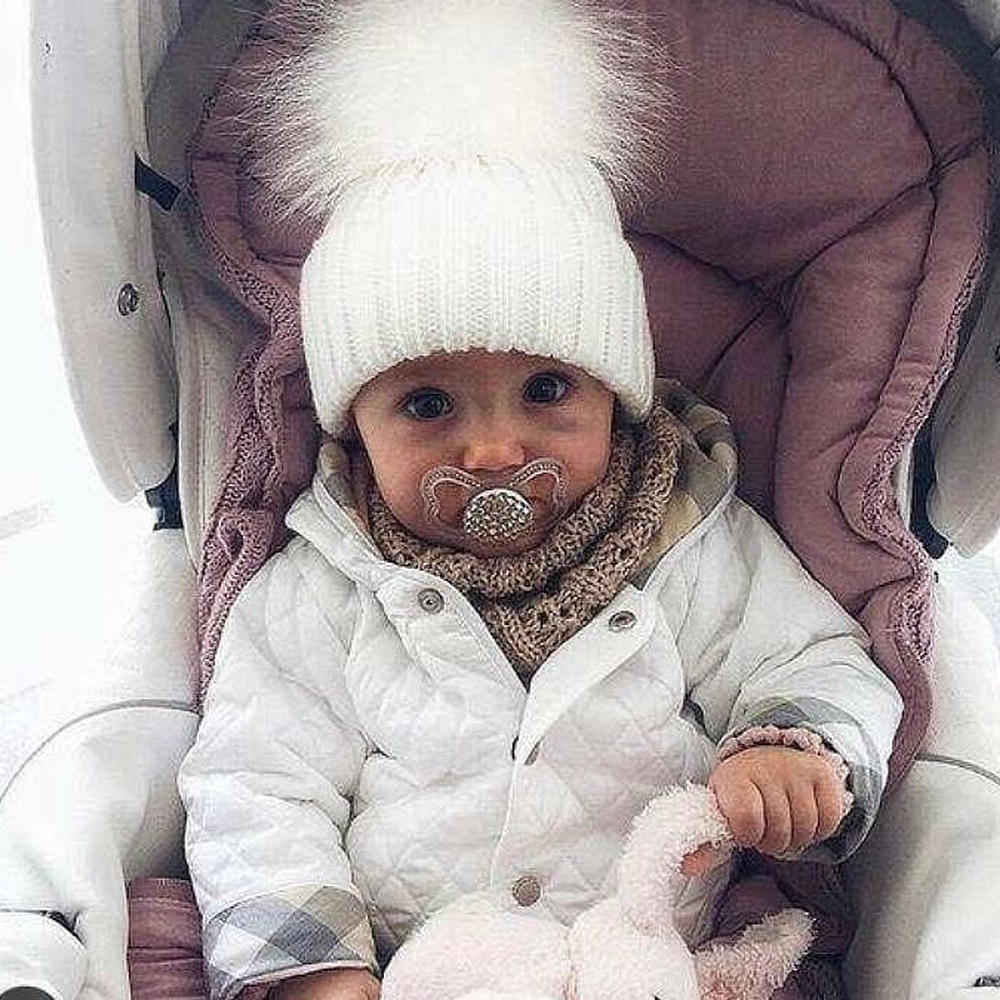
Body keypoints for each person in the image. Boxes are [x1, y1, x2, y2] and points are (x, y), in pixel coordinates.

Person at [176, 2, 903, 999]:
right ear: (355, 429)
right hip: (414, 968)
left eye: (548, 389)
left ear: (617, 393)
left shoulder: (692, 543)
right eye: (426, 405)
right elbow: (257, 783)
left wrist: (789, 746)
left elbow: (815, 654)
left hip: (648, 960)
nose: (492, 449)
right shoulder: (324, 588)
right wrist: (318, 964)